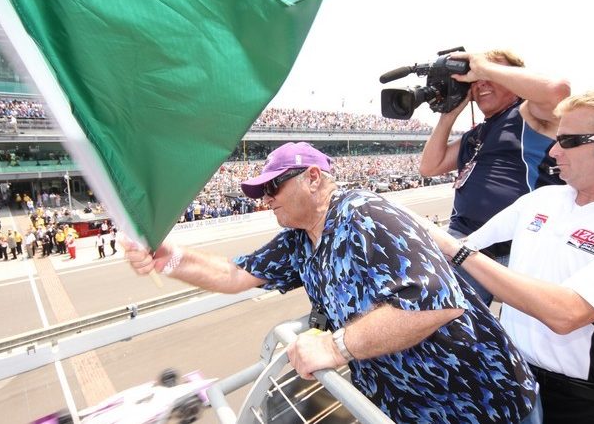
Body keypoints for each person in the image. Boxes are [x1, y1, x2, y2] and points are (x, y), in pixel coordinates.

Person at [125, 142, 540, 423]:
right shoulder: (300, 237)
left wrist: (334, 345)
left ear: (311, 178)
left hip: (482, 404)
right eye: (260, 193)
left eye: (272, 187)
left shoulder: (365, 215)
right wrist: (170, 258)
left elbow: (435, 304)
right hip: (412, 408)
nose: (265, 200)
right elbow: (234, 275)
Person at [426, 86, 594, 423]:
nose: (554, 151)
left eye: (569, 140)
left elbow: (567, 314)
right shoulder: (543, 200)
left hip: (578, 403)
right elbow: (470, 243)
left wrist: (457, 250)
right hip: (510, 376)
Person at [419, 49, 570, 305]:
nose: (481, 83)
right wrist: (450, 114)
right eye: (475, 81)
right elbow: (429, 167)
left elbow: (557, 91)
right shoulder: (478, 133)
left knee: (448, 319)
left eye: (490, 74)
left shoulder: (529, 114)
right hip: (465, 239)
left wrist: (480, 66)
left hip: (514, 247)